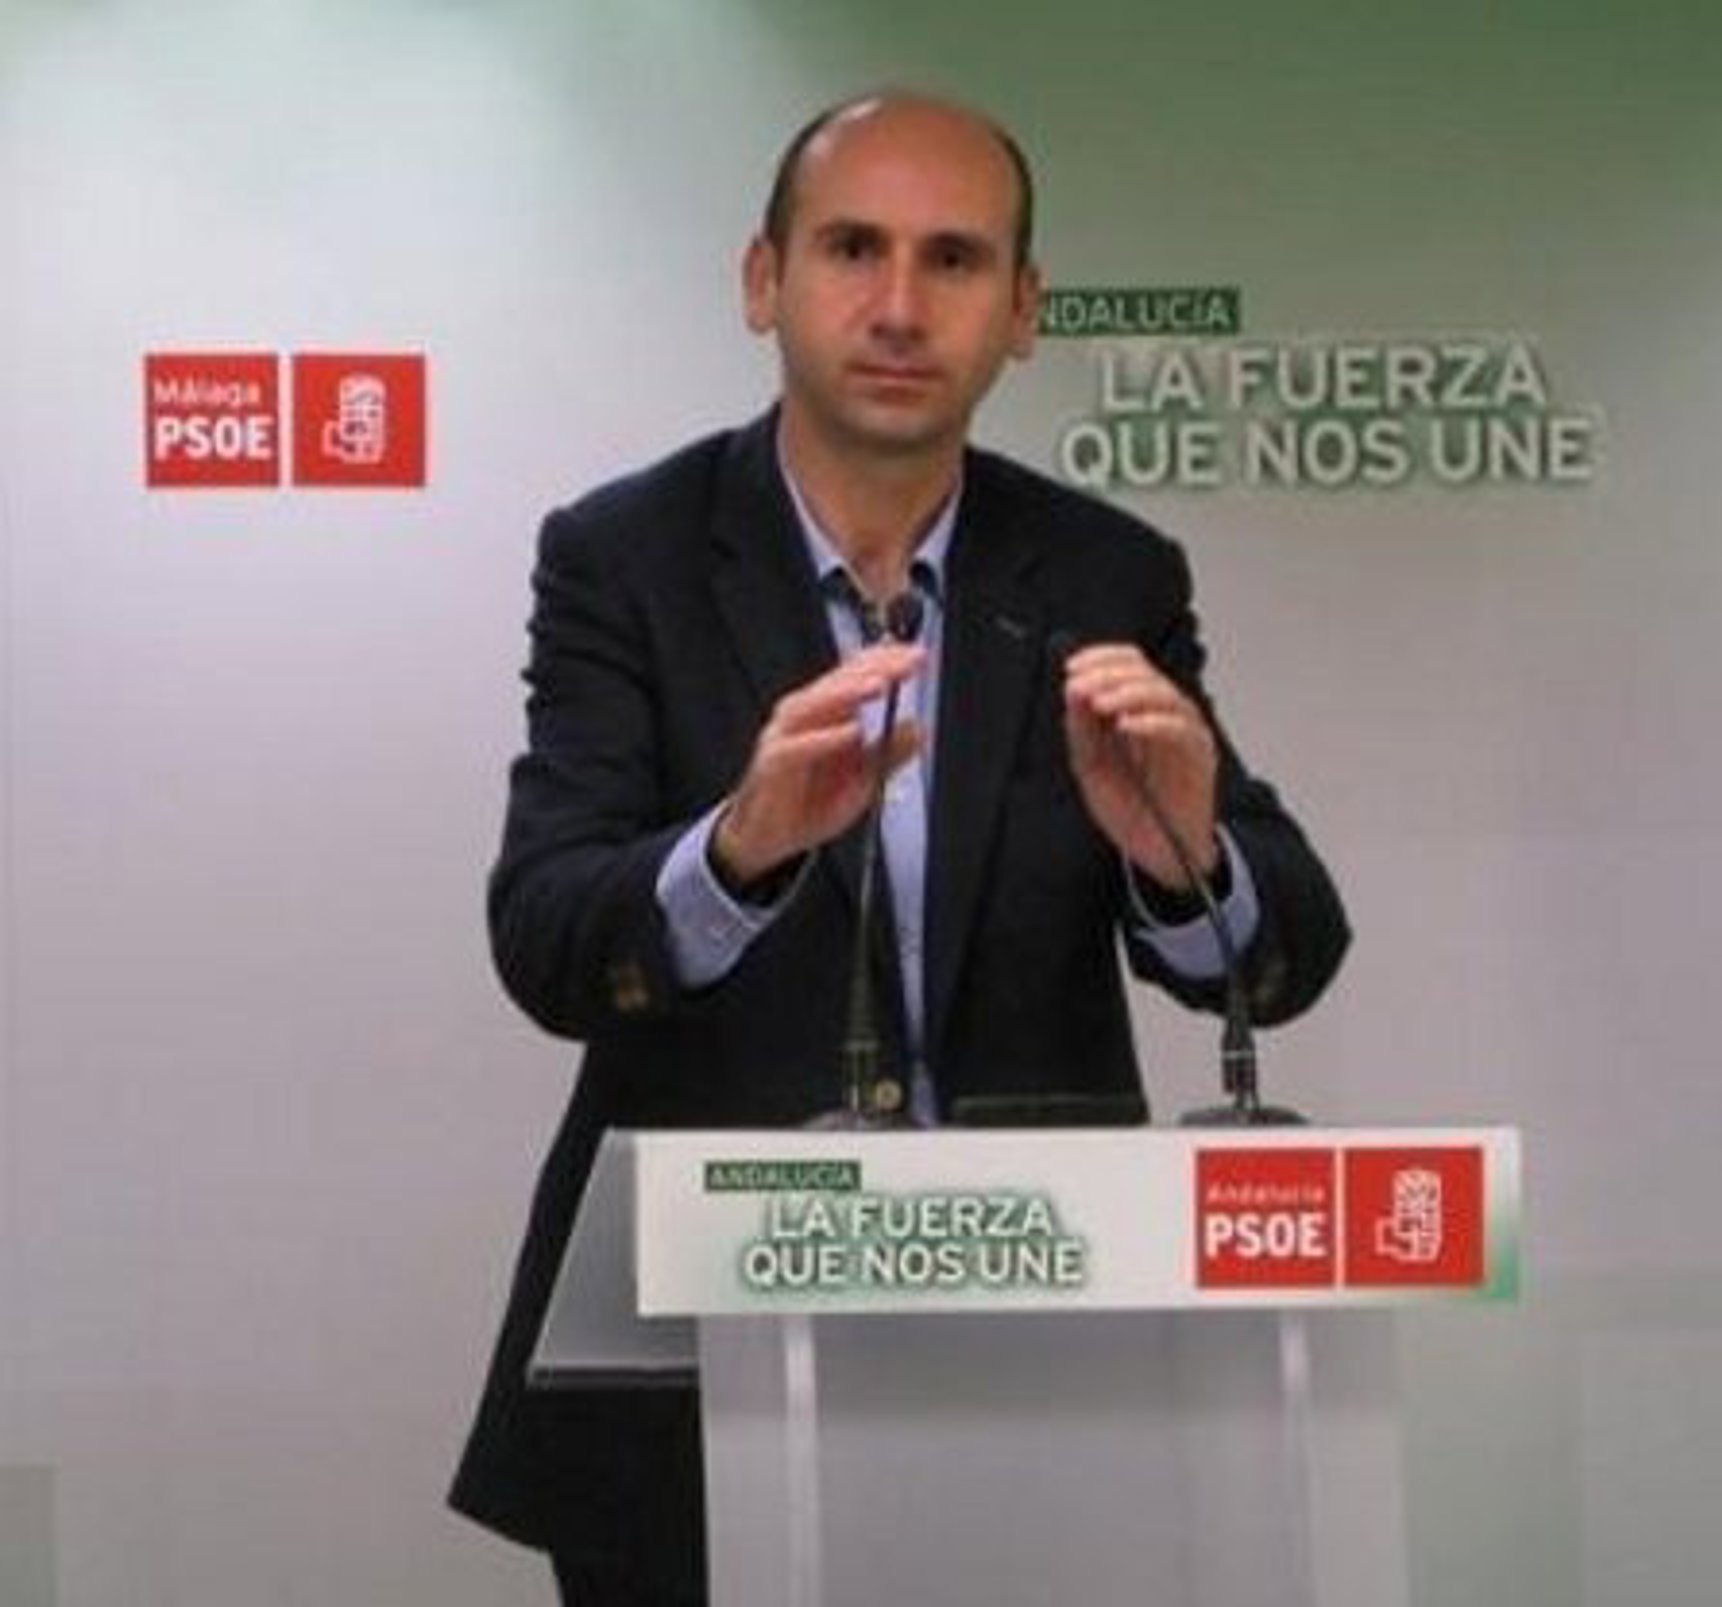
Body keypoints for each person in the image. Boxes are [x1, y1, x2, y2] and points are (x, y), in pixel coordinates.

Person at [450, 91, 1350, 1607]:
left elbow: (1285, 951)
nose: (898, 306)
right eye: (852, 248)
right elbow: (547, 937)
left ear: (1024, 312)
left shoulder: (1104, 572)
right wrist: (739, 850)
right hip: (688, 1377)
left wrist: (1180, 850)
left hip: (1033, 1370)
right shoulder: (626, 555)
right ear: (765, 280)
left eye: (954, 260)